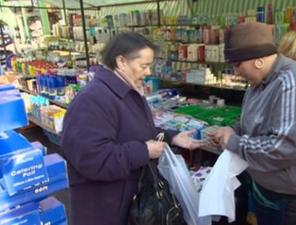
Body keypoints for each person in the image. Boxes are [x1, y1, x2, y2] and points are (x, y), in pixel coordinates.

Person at [61, 32, 202, 225]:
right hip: (105, 209)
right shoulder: (92, 99)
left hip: (129, 202)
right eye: (143, 66)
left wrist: (171, 137)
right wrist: (143, 151)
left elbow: (135, 131)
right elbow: (92, 158)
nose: (147, 72)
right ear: (121, 61)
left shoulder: (126, 90)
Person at [209, 22, 296, 225]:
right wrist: (232, 130)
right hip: (273, 192)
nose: (235, 72)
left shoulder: (295, 83)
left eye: (237, 64)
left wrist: (234, 142)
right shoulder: (258, 83)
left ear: (259, 61)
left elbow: (285, 148)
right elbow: (252, 120)